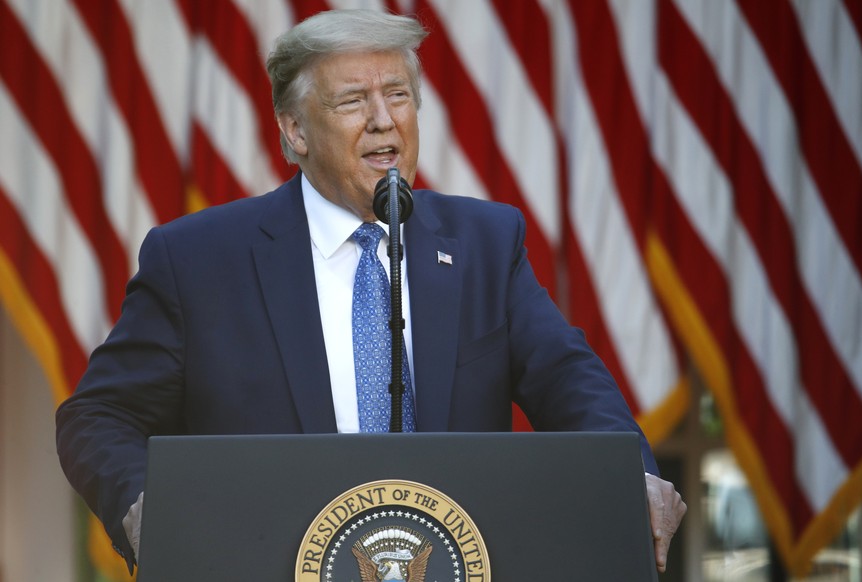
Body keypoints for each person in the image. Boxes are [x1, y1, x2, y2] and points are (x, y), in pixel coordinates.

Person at [55, 8, 685, 575]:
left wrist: (632, 472)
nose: (384, 121)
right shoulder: (198, 260)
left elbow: (569, 381)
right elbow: (97, 417)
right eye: (354, 100)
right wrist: (148, 507)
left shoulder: (486, 243)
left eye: (399, 96)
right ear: (295, 131)